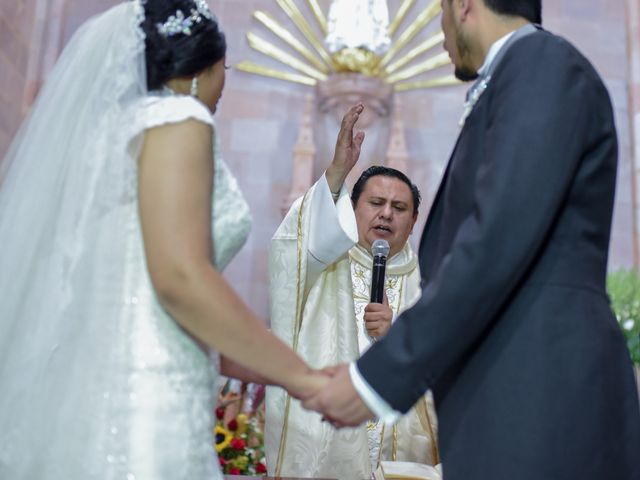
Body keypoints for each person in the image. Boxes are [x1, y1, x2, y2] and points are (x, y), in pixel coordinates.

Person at [303, 0, 640, 479]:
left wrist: (374, 380)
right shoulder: (519, 74)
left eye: (439, 9)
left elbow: (497, 236)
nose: (438, 30)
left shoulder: (541, 65)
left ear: (462, 5)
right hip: (509, 394)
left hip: (541, 395)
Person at [0, 0, 334, 477]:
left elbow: (128, 291)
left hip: (87, 389)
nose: (226, 83)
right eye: (229, 68)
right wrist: (304, 379)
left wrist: (270, 366)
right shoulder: (179, 118)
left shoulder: (102, 138)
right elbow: (179, 277)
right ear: (205, 67)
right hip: (148, 391)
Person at [266, 158, 439, 478]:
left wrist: (398, 337)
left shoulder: (432, 286)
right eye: (376, 203)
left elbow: (449, 371)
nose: (386, 213)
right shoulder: (324, 263)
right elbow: (291, 247)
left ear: (414, 220)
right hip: (324, 447)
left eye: (399, 207)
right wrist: (336, 172)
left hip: (401, 459)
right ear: (352, 208)